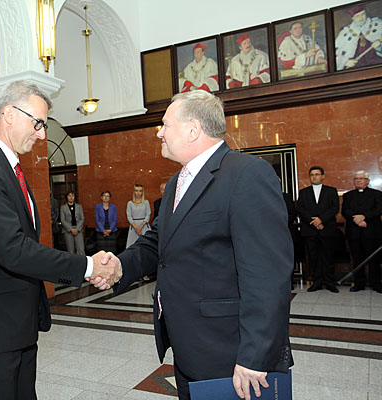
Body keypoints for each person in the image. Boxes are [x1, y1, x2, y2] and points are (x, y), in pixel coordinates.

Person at [97, 90, 293, 400]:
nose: (159, 133)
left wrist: (256, 356)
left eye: (165, 124)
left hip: (230, 350)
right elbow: (159, 242)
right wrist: (120, 266)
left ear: (192, 129)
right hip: (189, 345)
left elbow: (267, 275)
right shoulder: (178, 181)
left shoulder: (246, 174)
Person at [0, 80, 120, 399]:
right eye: (37, 123)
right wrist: (88, 265)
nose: (42, 134)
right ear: (9, 114)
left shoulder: (7, 169)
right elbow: (13, 250)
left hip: (14, 325)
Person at [296, 166, 340, 293]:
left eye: (317, 174)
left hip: (327, 229)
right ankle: (317, 282)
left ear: (323, 176)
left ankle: (330, 282)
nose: (314, 177)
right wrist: (314, 221)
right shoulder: (304, 192)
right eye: (312, 175)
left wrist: (321, 220)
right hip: (310, 230)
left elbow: (334, 208)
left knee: (328, 256)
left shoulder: (331, 191)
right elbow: (300, 209)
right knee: (313, 257)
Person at [341, 171, 382, 293]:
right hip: (354, 233)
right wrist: (356, 219)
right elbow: (345, 211)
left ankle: (376, 283)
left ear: (368, 181)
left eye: (361, 178)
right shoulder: (348, 195)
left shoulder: (377, 194)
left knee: (374, 259)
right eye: (356, 179)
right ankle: (358, 283)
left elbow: (379, 210)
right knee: (356, 258)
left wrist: (364, 217)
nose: (358, 181)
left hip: (372, 232)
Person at [335, 5, 382, 71]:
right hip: (356, 67)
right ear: (352, 18)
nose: (361, 18)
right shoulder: (345, 33)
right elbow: (337, 55)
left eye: (363, 14)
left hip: (376, 63)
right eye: (357, 16)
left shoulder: (378, 25)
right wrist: (345, 62)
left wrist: (379, 47)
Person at [59, 191, 85, 255]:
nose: (71, 197)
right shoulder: (63, 207)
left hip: (78, 229)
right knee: (70, 250)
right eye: (69, 196)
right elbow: (62, 220)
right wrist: (71, 229)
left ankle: (82, 263)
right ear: (66, 197)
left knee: (80, 249)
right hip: (68, 231)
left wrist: (77, 229)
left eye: (72, 196)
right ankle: (72, 264)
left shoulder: (79, 207)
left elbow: (82, 218)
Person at [126, 184, 151, 248]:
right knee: (132, 246)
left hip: (144, 226)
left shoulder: (146, 202)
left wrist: (141, 226)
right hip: (133, 227)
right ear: (134, 192)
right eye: (136, 191)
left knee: (146, 246)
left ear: (142, 192)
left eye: (140, 191)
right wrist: (136, 228)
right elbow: (129, 216)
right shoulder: (130, 203)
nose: (138, 193)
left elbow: (148, 214)